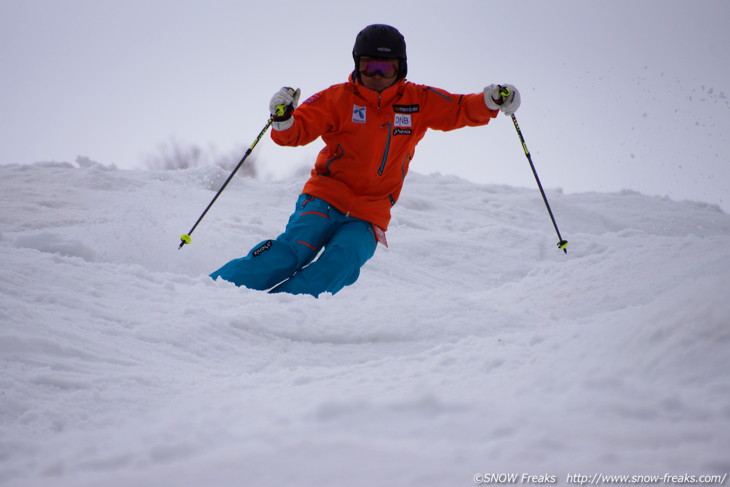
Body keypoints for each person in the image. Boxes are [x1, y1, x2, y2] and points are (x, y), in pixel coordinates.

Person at [209, 24, 521, 297]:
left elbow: (460, 108)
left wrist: (492, 99)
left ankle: (278, 310)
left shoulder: (419, 101)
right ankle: (211, 293)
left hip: (370, 213)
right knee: (292, 252)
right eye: (369, 67)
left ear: (401, 69)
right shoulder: (338, 98)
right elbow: (296, 131)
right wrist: (284, 118)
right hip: (324, 197)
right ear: (357, 66)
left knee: (339, 265)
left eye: (385, 69)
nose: (376, 77)